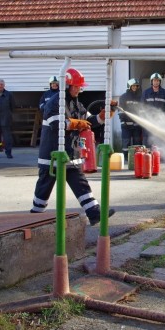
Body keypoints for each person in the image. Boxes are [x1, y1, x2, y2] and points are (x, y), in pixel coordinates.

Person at [30, 68, 116, 226]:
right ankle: (34, 218)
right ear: (67, 85)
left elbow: (90, 121)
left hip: (71, 153)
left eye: (80, 86)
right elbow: (57, 124)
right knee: (44, 188)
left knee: (81, 184)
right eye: (75, 86)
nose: (78, 89)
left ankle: (94, 212)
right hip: (53, 155)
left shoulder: (78, 104)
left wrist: (104, 115)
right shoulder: (54, 103)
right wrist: (77, 123)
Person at [141, 72, 165, 147]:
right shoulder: (146, 93)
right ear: (151, 81)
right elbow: (142, 107)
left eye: (158, 80)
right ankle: (147, 157)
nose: (156, 82)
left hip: (160, 122)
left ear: (160, 82)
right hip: (148, 121)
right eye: (154, 80)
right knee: (147, 140)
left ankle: (159, 157)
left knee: (160, 140)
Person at [118, 78, 143, 159]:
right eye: (133, 86)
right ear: (129, 86)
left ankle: (137, 157)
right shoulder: (123, 97)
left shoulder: (140, 97)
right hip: (126, 125)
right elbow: (121, 110)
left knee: (137, 142)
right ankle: (126, 157)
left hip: (136, 125)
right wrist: (123, 120)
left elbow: (142, 110)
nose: (135, 87)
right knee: (126, 142)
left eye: (136, 86)